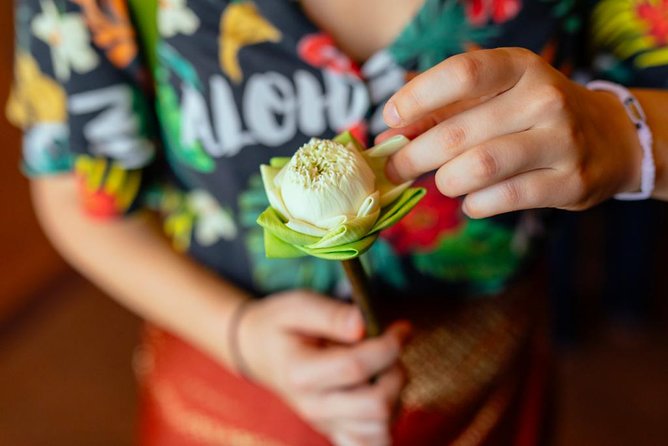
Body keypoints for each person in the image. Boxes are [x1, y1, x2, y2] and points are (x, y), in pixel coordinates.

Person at [7, 0, 667, 445]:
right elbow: (76, 195)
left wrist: (625, 135)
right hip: (225, 393)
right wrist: (241, 336)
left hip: (493, 393)